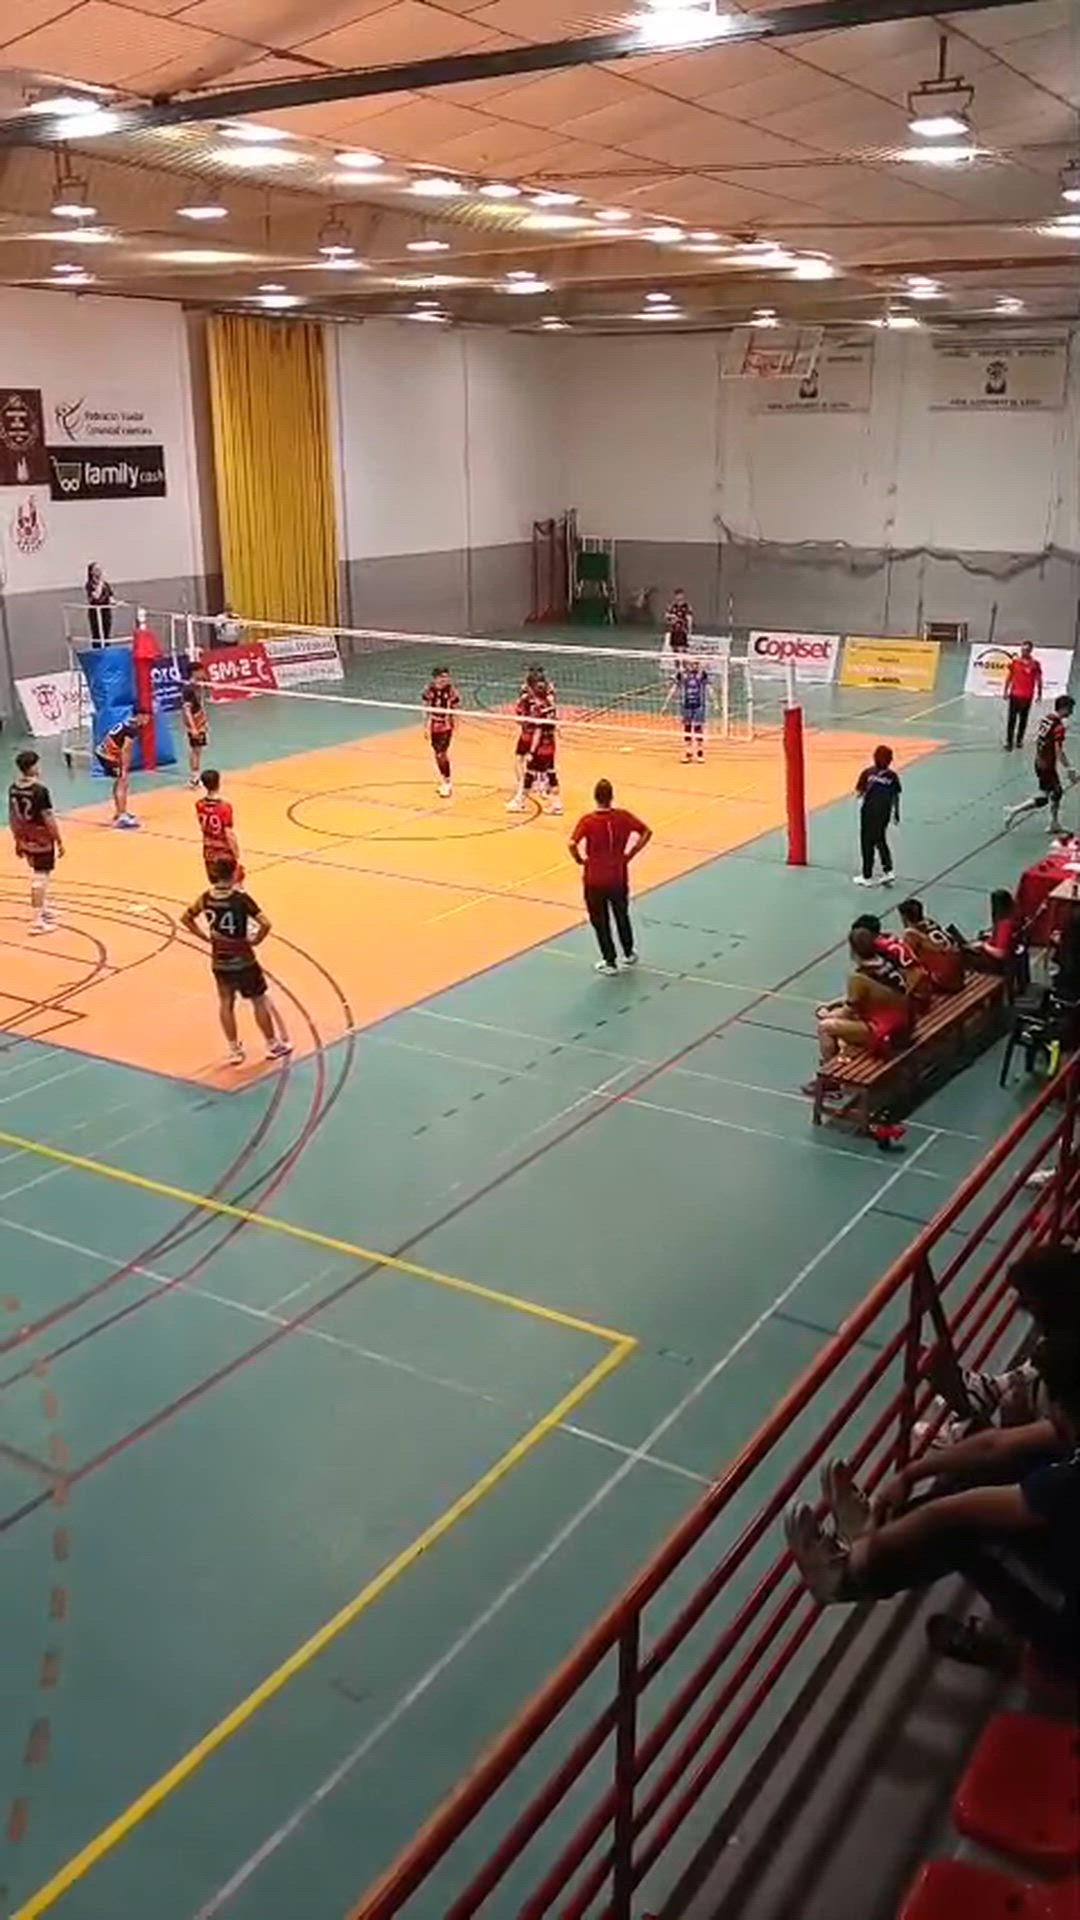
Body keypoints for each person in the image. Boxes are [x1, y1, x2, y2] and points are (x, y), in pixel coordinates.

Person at [785, 1327, 1080, 1678]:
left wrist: (870, 1549)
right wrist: (909, 1475)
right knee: (998, 1466)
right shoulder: (1072, 1423)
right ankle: (873, 1535)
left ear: (1065, 1406)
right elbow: (994, 1445)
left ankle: (846, 1580)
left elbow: (949, 1514)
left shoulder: (1068, 1482)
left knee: (966, 1535)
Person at [180, 857, 291, 1067]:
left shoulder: (205, 898)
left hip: (220, 960)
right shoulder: (240, 899)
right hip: (244, 960)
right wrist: (255, 940)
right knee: (258, 1000)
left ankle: (234, 1051)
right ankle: (272, 1044)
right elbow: (266, 924)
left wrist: (206, 937)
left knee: (226, 1002)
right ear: (233, 874)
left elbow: (186, 918)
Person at [811, 926, 913, 1087]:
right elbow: (876, 993)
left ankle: (831, 1079)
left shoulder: (857, 978)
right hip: (907, 1021)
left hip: (889, 1034)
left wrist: (826, 1014)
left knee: (825, 1027)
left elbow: (848, 1011)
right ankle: (843, 1057)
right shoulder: (887, 962)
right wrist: (837, 1003)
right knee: (846, 1023)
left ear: (853, 952)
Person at [568, 779, 652, 975]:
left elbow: (571, 843)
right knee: (621, 914)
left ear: (595, 797)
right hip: (618, 875)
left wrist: (579, 859)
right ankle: (628, 953)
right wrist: (631, 854)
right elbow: (646, 832)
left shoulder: (588, 821)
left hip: (594, 878)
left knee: (600, 920)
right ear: (611, 797)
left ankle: (610, 961)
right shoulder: (623, 817)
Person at [8, 748, 64, 936]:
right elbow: (48, 817)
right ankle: (37, 921)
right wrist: (58, 840)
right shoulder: (39, 790)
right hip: (41, 838)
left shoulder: (13, 788)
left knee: (38, 871)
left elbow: (13, 817)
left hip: (25, 836)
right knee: (41, 877)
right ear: (32, 767)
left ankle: (44, 909)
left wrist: (17, 839)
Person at [1004, 694, 1076, 835]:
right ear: (1064, 708)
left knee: (1049, 795)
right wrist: (1069, 768)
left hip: (1039, 761)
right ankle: (1016, 811)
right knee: (1054, 793)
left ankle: (1051, 822)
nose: (1071, 712)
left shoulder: (1047, 719)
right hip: (1047, 765)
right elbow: (1058, 750)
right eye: (1070, 709)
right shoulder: (1059, 727)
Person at [508, 666, 562, 815]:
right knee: (551, 773)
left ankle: (520, 802)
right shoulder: (549, 704)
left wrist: (532, 751)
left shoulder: (537, 707)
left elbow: (538, 731)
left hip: (539, 747)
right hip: (551, 745)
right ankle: (557, 804)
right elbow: (555, 723)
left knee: (530, 773)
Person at [854, 744, 901, 887]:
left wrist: (864, 794)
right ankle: (888, 870)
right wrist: (896, 813)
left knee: (866, 842)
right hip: (884, 813)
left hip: (869, 812)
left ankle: (867, 875)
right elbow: (895, 796)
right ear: (890, 760)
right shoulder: (892, 776)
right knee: (880, 839)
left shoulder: (868, 773)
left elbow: (859, 792)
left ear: (874, 758)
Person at [94, 711, 151, 829]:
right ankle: (122, 817)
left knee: (120, 782)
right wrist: (124, 768)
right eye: (147, 718)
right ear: (140, 716)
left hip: (104, 752)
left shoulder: (127, 723)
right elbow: (126, 749)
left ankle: (120, 811)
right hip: (108, 755)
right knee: (122, 782)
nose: (148, 721)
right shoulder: (132, 729)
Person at [898, 897, 966, 993]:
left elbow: (906, 960)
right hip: (960, 975)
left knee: (908, 970)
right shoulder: (930, 922)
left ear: (904, 917)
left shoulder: (911, 934)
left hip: (944, 981)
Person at [195, 769, 243, 884]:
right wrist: (236, 853)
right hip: (224, 853)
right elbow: (228, 833)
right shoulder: (224, 807)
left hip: (209, 852)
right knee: (233, 885)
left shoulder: (199, 804)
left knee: (216, 885)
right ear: (218, 783)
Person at [422, 665, 460, 800]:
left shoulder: (451, 691)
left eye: (447, 677)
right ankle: (444, 780)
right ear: (436, 678)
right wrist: (425, 727)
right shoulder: (429, 689)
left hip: (445, 725)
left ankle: (448, 783)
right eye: (442, 677)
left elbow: (455, 707)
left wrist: (455, 724)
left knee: (441, 753)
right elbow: (426, 708)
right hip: (434, 725)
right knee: (437, 754)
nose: (446, 679)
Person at [963, 887, 1020, 975]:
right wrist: (990, 935)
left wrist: (983, 945)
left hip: (997, 964)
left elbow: (1001, 953)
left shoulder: (1004, 926)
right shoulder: (1013, 917)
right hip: (1005, 956)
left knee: (963, 955)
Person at [1003, 642, 1042, 751]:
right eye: (1022, 650)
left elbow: (1039, 679)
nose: (1024, 652)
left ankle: (1019, 740)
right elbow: (1009, 677)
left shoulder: (1035, 664)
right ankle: (1009, 742)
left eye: (1026, 650)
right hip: (1015, 695)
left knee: (1023, 720)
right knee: (1012, 720)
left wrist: (1039, 694)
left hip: (1027, 696)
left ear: (1030, 651)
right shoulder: (1015, 663)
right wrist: (1005, 691)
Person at [670, 657, 709, 761]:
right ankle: (688, 752)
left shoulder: (701, 675)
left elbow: (709, 688)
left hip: (698, 705)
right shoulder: (682, 675)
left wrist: (715, 701)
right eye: (691, 664)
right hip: (686, 705)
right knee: (687, 727)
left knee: (698, 728)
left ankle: (700, 752)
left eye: (696, 664)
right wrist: (668, 700)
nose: (693, 666)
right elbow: (675, 687)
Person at [180, 660, 210, 789]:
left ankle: (195, 777)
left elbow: (200, 703)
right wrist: (193, 728)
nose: (203, 673)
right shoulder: (188, 689)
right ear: (194, 672)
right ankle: (195, 778)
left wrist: (205, 721)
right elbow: (186, 710)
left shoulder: (198, 686)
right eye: (201, 671)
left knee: (198, 750)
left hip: (200, 721)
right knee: (195, 750)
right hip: (195, 722)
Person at [86, 562, 114, 646]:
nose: (99, 571)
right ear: (91, 572)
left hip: (106, 612)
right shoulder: (89, 585)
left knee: (106, 633)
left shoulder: (106, 585)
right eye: (96, 569)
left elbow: (111, 598)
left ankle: (107, 649)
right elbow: (96, 596)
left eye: (100, 569)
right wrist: (100, 584)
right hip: (95, 613)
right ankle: (97, 649)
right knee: (97, 634)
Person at [665, 590, 693, 656]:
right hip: (674, 631)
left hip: (682, 631)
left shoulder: (686, 607)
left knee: (681, 650)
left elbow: (689, 618)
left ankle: (682, 661)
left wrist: (689, 630)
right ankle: (676, 662)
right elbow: (667, 617)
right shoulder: (672, 606)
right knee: (674, 650)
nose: (679, 599)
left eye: (680, 597)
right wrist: (671, 617)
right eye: (677, 597)